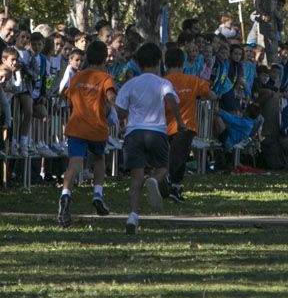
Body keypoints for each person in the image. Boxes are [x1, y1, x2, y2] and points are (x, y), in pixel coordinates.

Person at [114, 42, 178, 235]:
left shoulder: (130, 84)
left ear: (138, 63)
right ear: (159, 62)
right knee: (164, 167)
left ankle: (133, 216)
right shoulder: (163, 83)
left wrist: (124, 120)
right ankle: (155, 180)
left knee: (135, 179)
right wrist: (178, 118)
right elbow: (172, 99)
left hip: (134, 132)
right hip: (156, 131)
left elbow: (120, 109)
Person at [59, 40, 117, 226]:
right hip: (96, 127)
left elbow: (67, 97)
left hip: (76, 126)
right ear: (104, 59)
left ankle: (65, 196)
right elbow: (111, 97)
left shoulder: (76, 77)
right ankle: (98, 194)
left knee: (74, 164)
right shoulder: (105, 78)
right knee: (99, 159)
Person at [164, 44, 213, 203]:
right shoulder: (192, 80)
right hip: (186, 125)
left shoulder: (161, 81)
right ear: (183, 62)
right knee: (180, 158)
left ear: (165, 64)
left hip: (164, 127)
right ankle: (175, 187)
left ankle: (167, 183)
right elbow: (209, 93)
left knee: (168, 157)